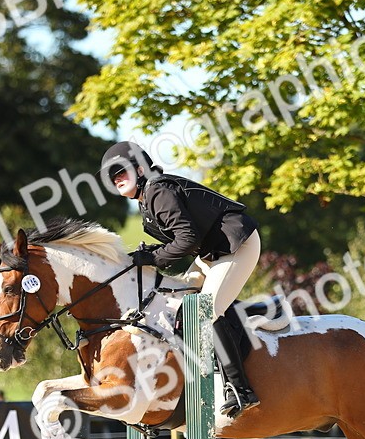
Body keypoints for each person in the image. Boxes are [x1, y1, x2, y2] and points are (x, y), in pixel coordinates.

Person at [100, 140, 261, 418]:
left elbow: (187, 239)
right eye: (113, 176)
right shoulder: (148, 196)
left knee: (204, 310)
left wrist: (153, 258)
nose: (117, 179)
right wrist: (149, 253)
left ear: (140, 169)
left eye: (121, 172)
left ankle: (240, 389)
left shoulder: (157, 189)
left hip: (237, 245)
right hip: (213, 251)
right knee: (181, 300)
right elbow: (182, 239)